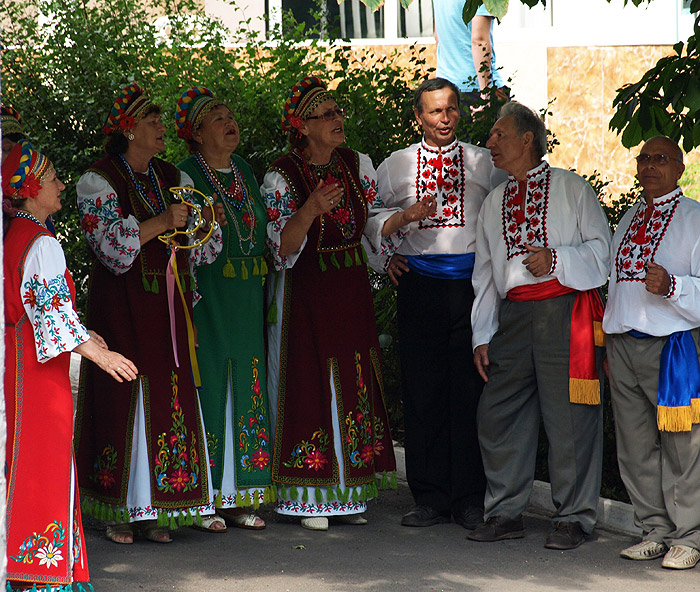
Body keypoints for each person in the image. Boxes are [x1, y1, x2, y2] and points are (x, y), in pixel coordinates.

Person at [263, 75, 434, 531]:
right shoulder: (282, 174)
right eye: (327, 115)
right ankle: (308, 493)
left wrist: (405, 218)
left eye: (339, 112)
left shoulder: (356, 164)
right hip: (306, 291)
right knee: (311, 379)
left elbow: (369, 224)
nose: (339, 120)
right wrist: (309, 209)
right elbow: (280, 246)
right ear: (303, 126)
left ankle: (348, 491)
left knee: (354, 377)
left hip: (349, 287)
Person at [74, 82, 225, 544]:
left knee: (169, 392)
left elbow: (205, 250)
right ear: (127, 130)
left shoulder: (170, 175)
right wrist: (162, 222)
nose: (162, 128)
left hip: (167, 303)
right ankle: (118, 508)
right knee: (124, 393)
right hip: (121, 305)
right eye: (151, 122)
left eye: (161, 121)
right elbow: (112, 250)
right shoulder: (96, 180)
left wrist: (206, 222)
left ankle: (161, 507)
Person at [469, 101, 611, 550]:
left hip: (563, 312)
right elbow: (486, 276)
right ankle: (506, 511)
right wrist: (481, 335)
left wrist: (557, 259)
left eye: (498, 134)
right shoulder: (494, 201)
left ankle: (573, 517)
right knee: (498, 413)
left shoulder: (571, 188)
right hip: (512, 318)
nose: (490, 143)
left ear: (527, 139)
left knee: (569, 417)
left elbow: (603, 252)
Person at [3, 140, 138, 590]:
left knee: (26, 459)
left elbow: (39, 308)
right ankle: (44, 574)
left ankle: (30, 564)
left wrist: (84, 334)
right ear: (32, 188)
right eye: (55, 179)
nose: (62, 185)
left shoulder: (14, 236)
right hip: (39, 374)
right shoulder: (41, 242)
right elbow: (51, 315)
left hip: (18, 362)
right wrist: (100, 354)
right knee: (46, 460)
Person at [377, 77, 505, 529]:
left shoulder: (484, 162)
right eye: (434, 111)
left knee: (469, 392)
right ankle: (429, 496)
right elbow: (372, 217)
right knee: (423, 389)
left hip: (471, 288)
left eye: (450, 109)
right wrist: (392, 241)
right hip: (420, 287)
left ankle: (470, 497)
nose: (444, 118)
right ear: (418, 117)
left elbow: (506, 212)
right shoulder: (396, 165)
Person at [176, 86, 273, 530]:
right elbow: (184, 249)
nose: (229, 123)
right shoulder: (184, 176)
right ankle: (206, 497)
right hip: (209, 296)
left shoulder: (245, 171)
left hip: (249, 296)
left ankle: (240, 495)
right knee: (212, 382)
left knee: (248, 381)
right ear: (196, 134)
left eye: (230, 115)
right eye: (217, 118)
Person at [603, 136, 700, 569]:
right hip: (624, 343)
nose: (649, 165)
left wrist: (675, 286)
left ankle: (690, 535)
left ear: (679, 168)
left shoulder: (695, 217)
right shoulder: (627, 219)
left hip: (673, 347)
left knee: (683, 446)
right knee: (635, 445)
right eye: (643, 158)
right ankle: (655, 530)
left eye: (660, 158)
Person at [433, 0, 507, 117]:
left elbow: (438, 36)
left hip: (445, 87)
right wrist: (485, 96)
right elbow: (479, 40)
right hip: (477, 89)